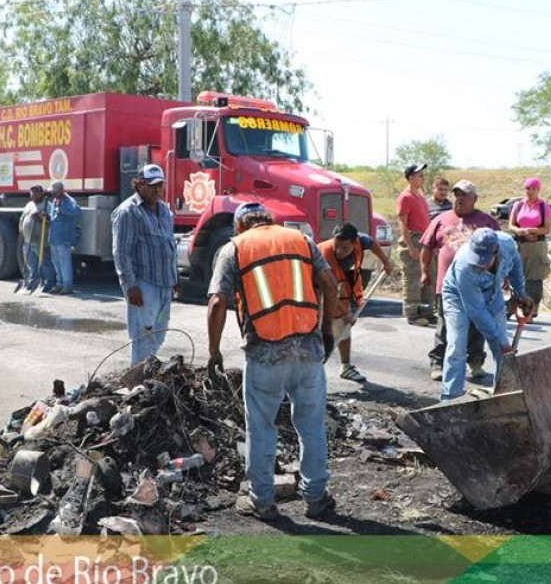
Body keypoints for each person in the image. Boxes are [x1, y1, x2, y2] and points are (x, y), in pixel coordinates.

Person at [206, 202, 342, 522]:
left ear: (240, 225)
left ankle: (264, 501)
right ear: (270, 220)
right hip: (308, 349)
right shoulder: (301, 240)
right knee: (311, 425)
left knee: (261, 426)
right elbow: (329, 284)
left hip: (265, 352)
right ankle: (316, 498)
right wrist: (325, 330)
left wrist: (214, 352)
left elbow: (216, 302)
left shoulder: (234, 248)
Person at [420, 179, 500, 381]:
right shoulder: (441, 219)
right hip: (447, 284)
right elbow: (427, 247)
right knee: (446, 324)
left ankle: (475, 362)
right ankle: (438, 363)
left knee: (477, 324)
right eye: (457, 195)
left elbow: (498, 251)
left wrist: (500, 277)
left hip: (477, 284)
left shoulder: (487, 222)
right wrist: (424, 272)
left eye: (464, 195)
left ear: (475, 199)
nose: (459, 199)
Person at [440, 228, 533, 401]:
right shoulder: (464, 266)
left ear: (496, 252)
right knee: (457, 345)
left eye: (485, 260)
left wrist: (521, 292)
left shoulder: (507, 244)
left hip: (492, 290)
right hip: (458, 297)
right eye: (477, 258)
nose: (480, 264)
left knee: (503, 349)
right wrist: (498, 339)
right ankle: (450, 397)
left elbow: (516, 264)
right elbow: (476, 312)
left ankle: (503, 394)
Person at [112, 164, 180, 366]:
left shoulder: (165, 211)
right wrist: (130, 286)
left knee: (158, 334)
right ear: (139, 185)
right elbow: (122, 252)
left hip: (164, 285)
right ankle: (139, 382)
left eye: (160, 185)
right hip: (144, 285)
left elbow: (169, 246)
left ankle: (145, 374)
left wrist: (175, 278)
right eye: (152, 186)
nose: (157, 190)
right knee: (143, 337)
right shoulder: (128, 212)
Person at [318, 222, 394, 384]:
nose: (339, 251)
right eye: (336, 246)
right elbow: (328, 290)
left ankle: (346, 366)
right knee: (324, 329)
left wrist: (385, 261)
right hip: (319, 292)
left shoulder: (362, 241)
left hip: (341, 288)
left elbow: (372, 243)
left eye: (345, 248)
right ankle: (313, 369)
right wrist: (345, 313)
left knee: (343, 329)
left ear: (354, 242)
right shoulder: (323, 254)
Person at [507, 177, 551, 321]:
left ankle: (530, 312)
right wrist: (520, 231)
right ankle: (511, 308)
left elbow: (547, 229)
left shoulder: (543, 206)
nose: (530, 192)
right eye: (528, 188)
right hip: (520, 245)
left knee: (534, 281)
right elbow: (511, 225)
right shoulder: (518, 205)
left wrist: (533, 230)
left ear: (538, 190)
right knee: (516, 277)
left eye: (534, 189)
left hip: (537, 247)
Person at [395, 163, 435, 326]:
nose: (422, 177)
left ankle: (427, 311)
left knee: (427, 275)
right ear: (410, 178)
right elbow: (402, 223)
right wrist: (410, 246)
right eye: (419, 175)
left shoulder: (419, 195)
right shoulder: (405, 196)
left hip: (425, 240)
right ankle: (412, 313)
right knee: (412, 277)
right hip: (413, 239)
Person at [47, 181, 81, 294]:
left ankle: (67, 286)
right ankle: (59, 284)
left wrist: (63, 210)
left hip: (64, 238)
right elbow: (53, 216)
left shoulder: (69, 201)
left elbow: (77, 212)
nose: (52, 193)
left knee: (64, 262)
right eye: (52, 191)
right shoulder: (55, 200)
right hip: (54, 237)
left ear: (61, 190)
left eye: (54, 191)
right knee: (56, 262)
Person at [20, 185, 54, 291]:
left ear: (41, 193)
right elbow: (22, 218)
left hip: (41, 240)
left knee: (45, 263)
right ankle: (32, 281)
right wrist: (21, 229)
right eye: (32, 192)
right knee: (31, 263)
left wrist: (40, 218)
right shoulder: (29, 204)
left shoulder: (47, 205)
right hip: (28, 240)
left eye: (36, 193)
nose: (33, 195)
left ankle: (49, 282)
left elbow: (52, 219)